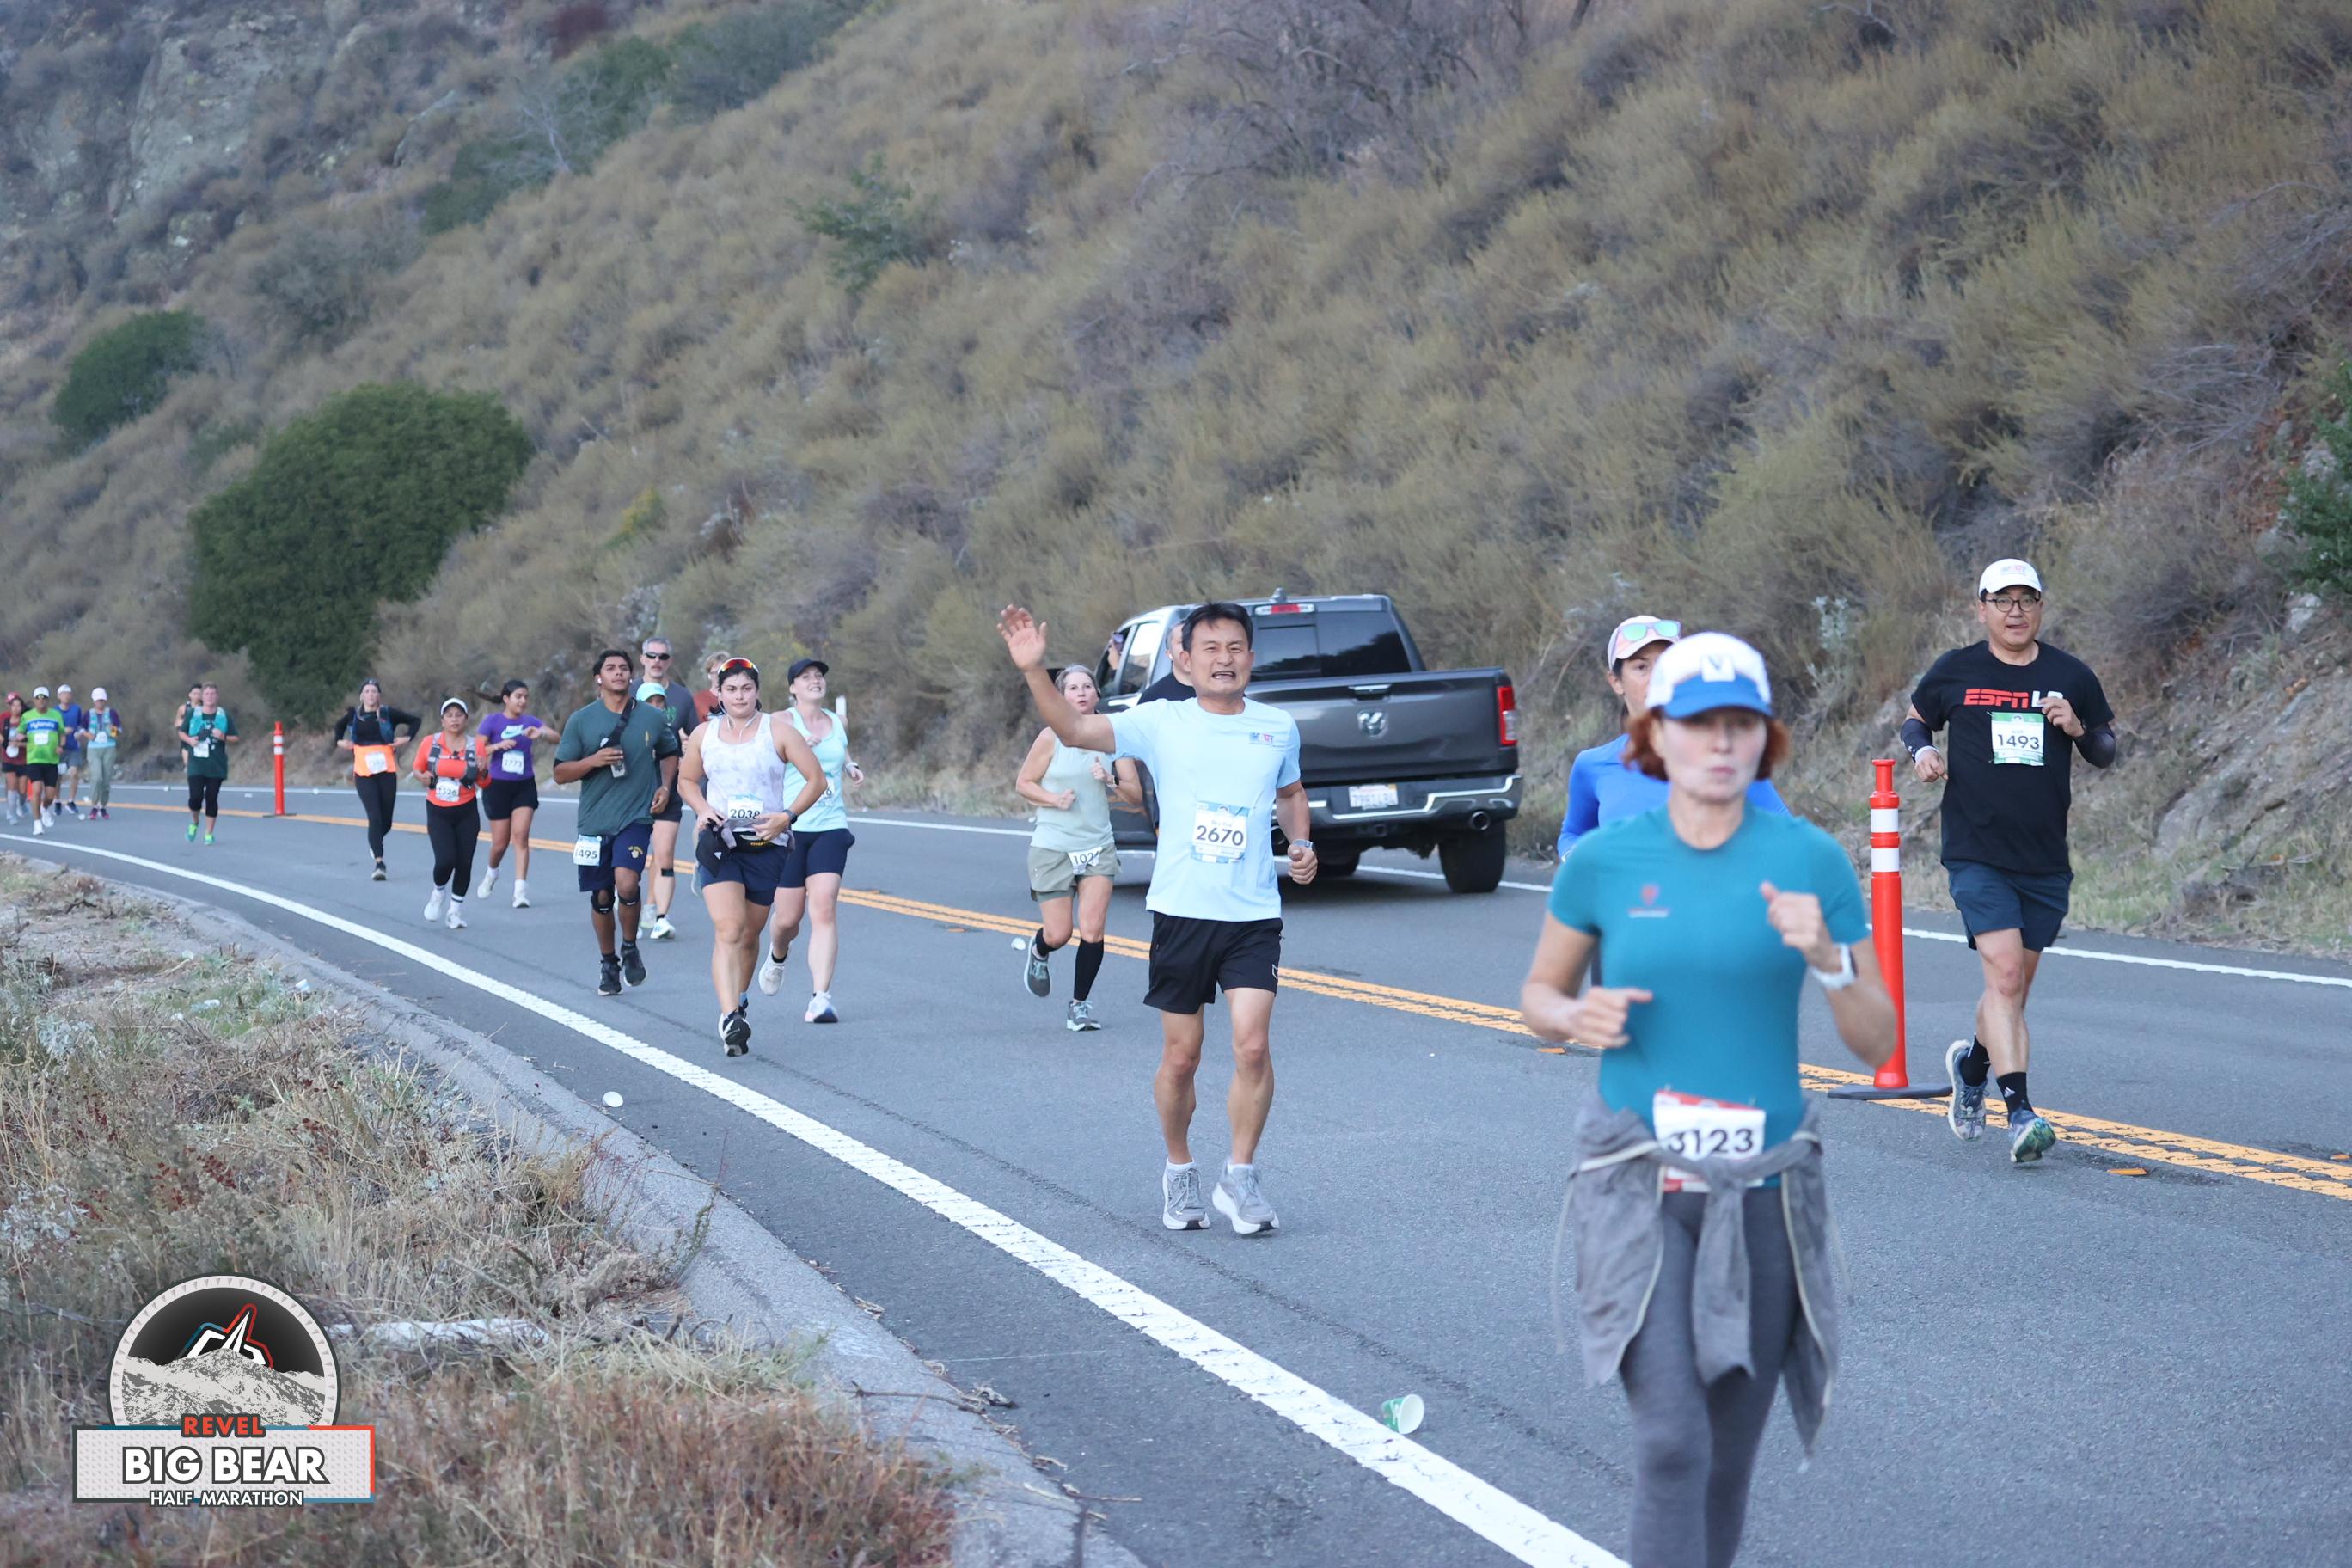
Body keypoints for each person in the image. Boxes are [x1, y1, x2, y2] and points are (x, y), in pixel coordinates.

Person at [1520, 632, 1895, 1568]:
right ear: (1655, 735)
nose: (1721, 743)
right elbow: (1538, 1000)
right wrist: (1573, 1014)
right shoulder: (1605, 861)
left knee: (1725, 1462)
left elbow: (1877, 1040)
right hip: (1638, 1184)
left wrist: (1830, 959)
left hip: (1765, 1187)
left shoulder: (1810, 860)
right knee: (1671, 1443)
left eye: (1741, 724)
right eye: (1698, 724)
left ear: (1766, 737)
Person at [1000, 601, 1316, 1236]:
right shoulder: (1160, 721)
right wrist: (1035, 671)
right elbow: (1074, 729)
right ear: (1185, 661)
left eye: (1235, 648)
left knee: (1253, 1046)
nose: (1224, 659)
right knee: (1182, 1057)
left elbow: (1290, 793)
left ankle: (1241, 1176)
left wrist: (1301, 842)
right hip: (1181, 912)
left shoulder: (1277, 727)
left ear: (1251, 658)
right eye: (1210, 649)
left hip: (1253, 913)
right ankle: (1179, 1169)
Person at [1902, 558, 2116, 1165]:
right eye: (2003, 600)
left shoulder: (2070, 675)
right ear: (1982, 609)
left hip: (2044, 857)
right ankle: (2020, 1112)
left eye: (2026, 600)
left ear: (2040, 608)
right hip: (1976, 850)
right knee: (2002, 975)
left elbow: (2105, 749)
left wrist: (2077, 728)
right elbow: (1915, 723)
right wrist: (1922, 754)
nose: (2015, 611)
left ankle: (1972, 1066)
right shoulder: (1958, 670)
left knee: (2012, 988)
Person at [675, 658, 830, 1055]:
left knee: (749, 934)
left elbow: (816, 780)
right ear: (719, 693)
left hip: (766, 845)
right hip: (720, 841)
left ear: (757, 691)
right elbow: (687, 780)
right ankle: (729, 1017)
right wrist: (702, 809)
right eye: (731, 689)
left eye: (746, 688)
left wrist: (786, 817)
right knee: (729, 928)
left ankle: (739, 1001)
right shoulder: (705, 734)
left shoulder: (778, 732)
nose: (739, 696)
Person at [1559, 616, 1788, 861]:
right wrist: (1579, 861)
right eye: (1641, 667)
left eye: (1666, 665)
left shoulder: (1723, 758)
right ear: (1616, 682)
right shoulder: (1593, 765)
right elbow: (1572, 833)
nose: (1656, 677)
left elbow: (1786, 837)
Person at [1014, 666, 1142, 1032]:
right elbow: (1024, 783)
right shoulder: (1050, 737)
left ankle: (1079, 1006)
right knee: (1059, 933)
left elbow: (1135, 796)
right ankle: (1040, 949)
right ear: (1061, 697)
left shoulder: (1115, 737)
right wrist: (1053, 800)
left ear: (1098, 694)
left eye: (1087, 686)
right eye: (1073, 688)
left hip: (1097, 846)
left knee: (1093, 929)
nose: (1082, 692)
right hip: (1053, 846)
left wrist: (1110, 779)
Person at [552, 650, 681, 997]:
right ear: (599, 677)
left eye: (624, 668)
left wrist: (665, 787)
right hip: (594, 821)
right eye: (610, 668)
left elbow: (670, 752)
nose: (619, 673)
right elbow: (560, 772)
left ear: (631, 675)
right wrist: (593, 760)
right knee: (602, 895)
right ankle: (608, 962)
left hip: (635, 817)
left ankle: (630, 946)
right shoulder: (581, 720)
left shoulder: (651, 717)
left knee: (626, 882)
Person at [753, 658, 866, 1025]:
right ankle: (778, 953)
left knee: (824, 908)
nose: (815, 681)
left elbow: (840, 749)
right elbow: (764, 758)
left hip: (831, 826)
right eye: (806, 677)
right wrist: (799, 746)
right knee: (788, 918)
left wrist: (849, 766)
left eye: (819, 676)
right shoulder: (781, 722)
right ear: (793, 688)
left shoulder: (837, 721)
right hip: (790, 827)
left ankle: (821, 998)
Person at [477, 680, 558, 908]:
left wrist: (541, 733)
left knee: (521, 836)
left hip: (524, 785)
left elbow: (556, 737)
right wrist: (497, 746)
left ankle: (520, 892)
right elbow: (476, 749)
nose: (523, 701)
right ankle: (492, 873)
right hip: (497, 786)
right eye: (518, 696)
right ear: (506, 698)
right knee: (500, 844)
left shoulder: (530, 722)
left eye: (525, 697)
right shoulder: (492, 722)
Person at [640, 638, 701, 940]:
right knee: (631, 857)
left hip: (669, 787)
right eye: (651, 655)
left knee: (663, 853)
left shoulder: (682, 696)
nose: (657, 661)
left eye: (663, 656)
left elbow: (695, 736)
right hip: (632, 790)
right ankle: (628, 902)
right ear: (642, 658)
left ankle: (659, 915)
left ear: (670, 661)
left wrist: (688, 747)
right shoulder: (628, 691)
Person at [334, 680, 422, 879]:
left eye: (374, 691)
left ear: (379, 695)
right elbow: (338, 727)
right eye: (367, 691)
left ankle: (375, 841)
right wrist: (340, 742)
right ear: (361, 696)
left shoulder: (388, 714)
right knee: (374, 817)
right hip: (364, 773)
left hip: (386, 771)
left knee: (386, 822)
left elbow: (415, 721)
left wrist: (406, 738)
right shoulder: (353, 715)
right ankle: (379, 864)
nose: (371, 694)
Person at [414, 698, 485, 931]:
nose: (454, 719)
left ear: (466, 719)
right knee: (446, 859)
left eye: (459, 714)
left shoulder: (476, 746)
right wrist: (422, 777)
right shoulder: (430, 743)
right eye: (450, 715)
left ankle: (455, 911)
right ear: (442, 720)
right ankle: (438, 892)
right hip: (438, 810)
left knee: (464, 862)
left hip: (467, 809)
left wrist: (484, 770)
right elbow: (418, 768)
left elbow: (485, 782)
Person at [178, 683, 238, 843]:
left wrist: (223, 736)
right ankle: (195, 821)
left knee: (211, 799)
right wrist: (189, 740)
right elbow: (181, 732)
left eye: (213, 694)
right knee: (195, 798)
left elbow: (235, 737)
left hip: (216, 765)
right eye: (207, 694)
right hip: (196, 763)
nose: (210, 697)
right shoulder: (193, 714)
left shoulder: (224, 716)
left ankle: (209, 833)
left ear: (217, 697)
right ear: (202, 697)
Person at [19, 688, 66, 834]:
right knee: (37, 790)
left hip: (51, 760)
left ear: (47, 700)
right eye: (38, 698)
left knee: (50, 796)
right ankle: (37, 823)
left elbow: (62, 734)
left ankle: (44, 808)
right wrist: (20, 736)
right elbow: (20, 731)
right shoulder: (27, 716)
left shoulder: (55, 715)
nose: (41, 701)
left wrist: (61, 746)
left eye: (44, 698)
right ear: (34, 700)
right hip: (34, 759)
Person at [82, 688, 123, 818]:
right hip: (94, 748)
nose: (100, 703)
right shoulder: (88, 714)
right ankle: (94, 805)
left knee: (106, 780)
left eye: (102, 700)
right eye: (98, 701)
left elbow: (118, 732)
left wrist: (113, 730)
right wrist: (88, 735)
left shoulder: (112, 713)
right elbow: (81, 728)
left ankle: (103, 806)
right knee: (97, 777)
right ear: (94, 701)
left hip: (109, 748)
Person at [1136, 622, 1197, 704]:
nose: (1191, 646)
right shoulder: (1153, 698)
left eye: (1196, 641)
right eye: (1183, 642)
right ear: (1170, 654)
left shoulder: (1214, 689)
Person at [53, 683, 85, 818]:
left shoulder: (76, 709)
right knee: (57, 777)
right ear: (59, 696)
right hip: (59, 748)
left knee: (74, 773)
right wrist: (62, 731)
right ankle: (57, 801)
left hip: (73, 748)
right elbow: (51, 729)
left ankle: (71, 801)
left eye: (69, 693)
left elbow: (81, 725)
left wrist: (80, 733)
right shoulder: (54, 712)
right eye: (64, 694)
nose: (67, 696)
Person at [2, 695, 26, 826]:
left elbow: (31, 742)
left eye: (18, 706)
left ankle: (21, 804)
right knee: (11, 785)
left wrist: (19, 744)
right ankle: (11, 813)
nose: (16, 708)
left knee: (22, 790)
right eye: (13, 706)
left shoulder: (25, 721)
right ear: (10, 707)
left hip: (23, 759)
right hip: (8, 758)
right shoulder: (5, 721)